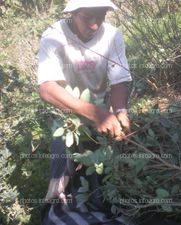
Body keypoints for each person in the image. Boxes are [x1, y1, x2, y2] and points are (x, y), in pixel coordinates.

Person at [37, 0, 133, 224]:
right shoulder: (54, 37)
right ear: (72, 14)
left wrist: (120, 111)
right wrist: (94, 114)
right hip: (67, 113)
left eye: (100, 16)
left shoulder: (112, 36)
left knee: (107, 167)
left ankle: (105, 202)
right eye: (87, 17)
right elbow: (48, 89)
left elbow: (119, 81)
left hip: (100, 107)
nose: (94, 25)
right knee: (62, 170)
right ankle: (56, 203)